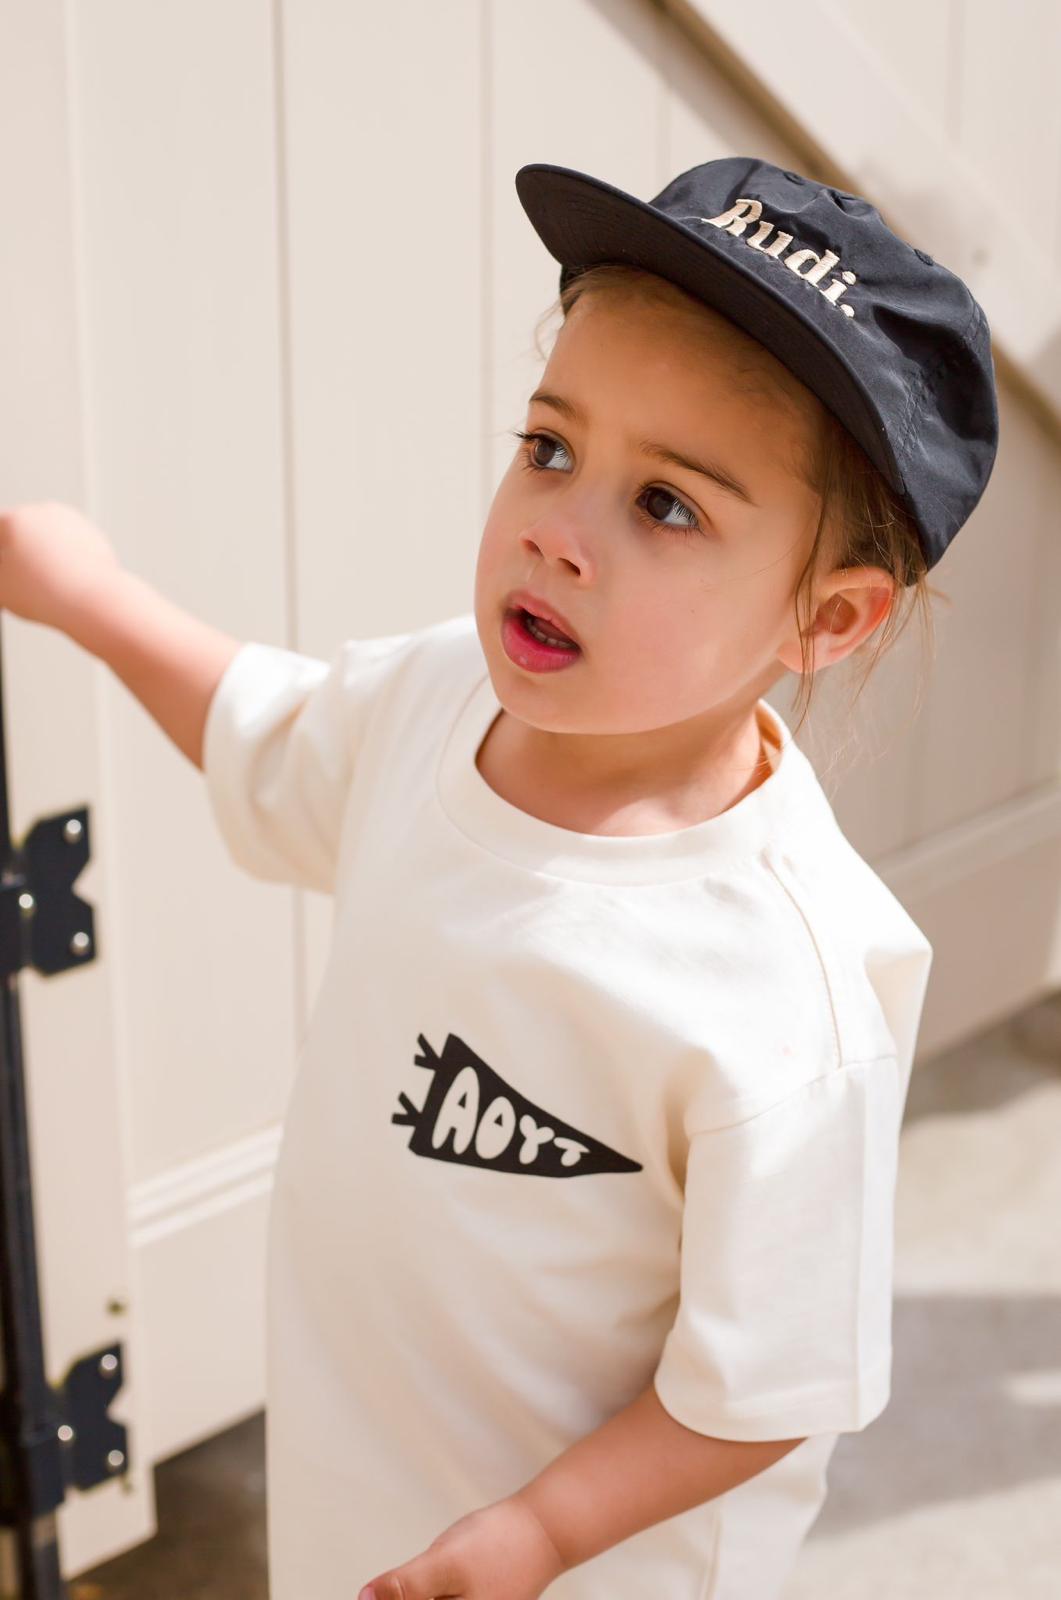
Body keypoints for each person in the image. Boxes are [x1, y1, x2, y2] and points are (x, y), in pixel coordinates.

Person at [0, 154, 999, 1600]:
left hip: (589, 1568)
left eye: (666, 506)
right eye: (549, 447)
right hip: (361, 1519)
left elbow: (770, 1383)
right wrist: (89, 597)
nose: (555, 530)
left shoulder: (789, 992)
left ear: (826, 619)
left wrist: (540, 1534)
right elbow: (266, 729)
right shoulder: (436, 706)